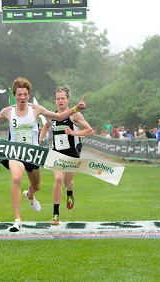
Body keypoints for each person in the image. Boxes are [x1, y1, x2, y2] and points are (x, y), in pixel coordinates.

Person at [0, 77, 86, 232]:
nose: (22, 97)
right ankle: (17, 220)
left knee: (36, 186)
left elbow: (60, 117)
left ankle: (30, 196)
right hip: (15, 153)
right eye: (19, 95)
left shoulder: (36, 109)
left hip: (33, 155)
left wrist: (75, 109)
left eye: (25, 94)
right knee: (16, 178)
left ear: (28, 95)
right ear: (15, 95)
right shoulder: (8, 111)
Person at [39, 86, 94, 226]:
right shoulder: (53, 115)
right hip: (56, 153)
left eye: (63, 98)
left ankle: (70, 191)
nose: (60, 101)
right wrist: (38, 140)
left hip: (72, 155)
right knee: (58, 179)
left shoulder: (75, 115)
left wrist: (74, 133)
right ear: (55, 101)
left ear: (68, 100)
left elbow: (90, 131)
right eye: (58, 99)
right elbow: (46, 126)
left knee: (67, 183)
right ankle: (55, 213)